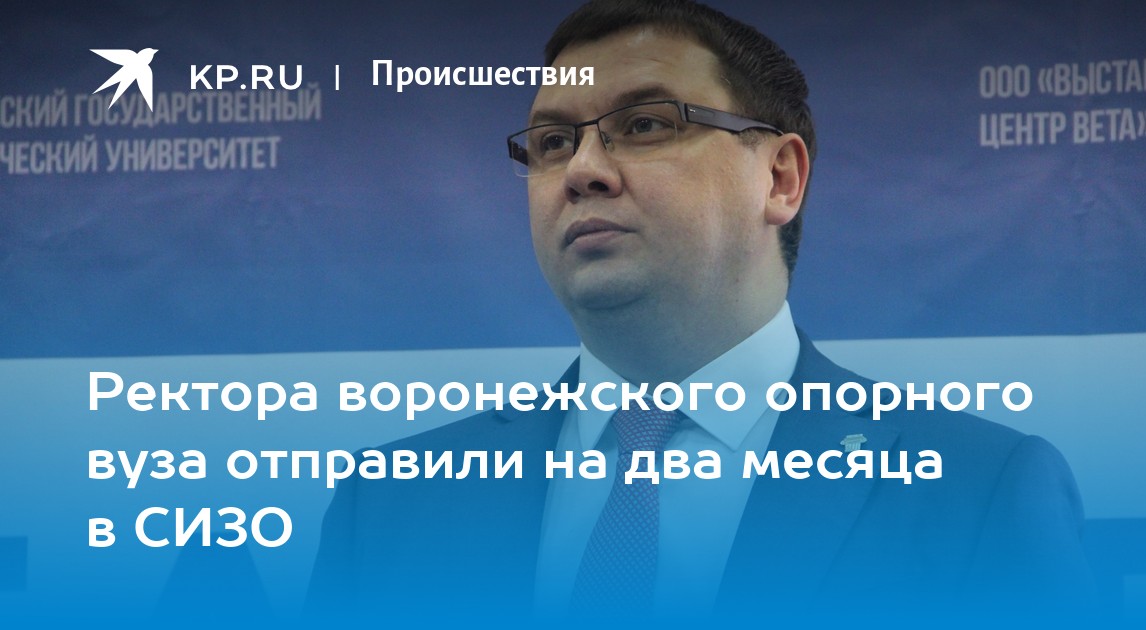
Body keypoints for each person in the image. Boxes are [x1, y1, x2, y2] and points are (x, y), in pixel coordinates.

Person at [308, 0, 1093, 622]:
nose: (581, 171)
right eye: (551, 143)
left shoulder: (978, 491)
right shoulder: (388, 504)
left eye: (645, 125)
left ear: (780, 178)